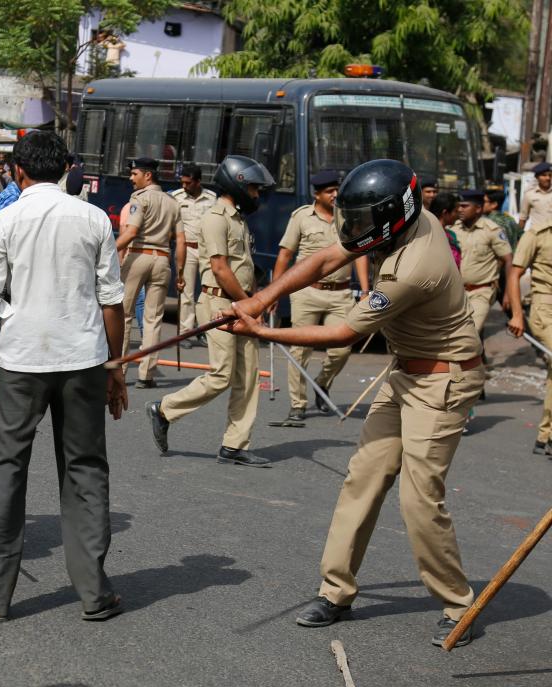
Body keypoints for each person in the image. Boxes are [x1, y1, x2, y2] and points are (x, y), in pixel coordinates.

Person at [225, 159, 484, 648]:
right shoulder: (399, 221)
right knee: (362, 479)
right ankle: (336, 591)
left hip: (444, 383)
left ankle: (458, 603)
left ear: (392, 215)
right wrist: (261, 300)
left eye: (364, 220)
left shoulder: (415, 267)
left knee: (419, 499)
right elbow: (325, 259)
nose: (355, 230)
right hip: (406, 372)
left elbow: (341, 331)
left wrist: (261, 330)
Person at [0, 129, 127, 622]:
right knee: (85, 470)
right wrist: (115, 367)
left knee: (7, 470)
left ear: (19, 172)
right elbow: (111, 301)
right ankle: (95, 594)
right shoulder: (94, 218)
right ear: (65, 169)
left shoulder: (3, 221)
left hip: (20, 363)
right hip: (83, 359)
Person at [146, 155, 275, 467]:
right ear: (238, 184)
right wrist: (248, 303)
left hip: (240, 303)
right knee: (221, 374)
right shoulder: (216, 217)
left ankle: (234, 445)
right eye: (254, 188)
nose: (257, 195)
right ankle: (164, 409)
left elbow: (243, 267)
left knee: (248, 377)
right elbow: (219, 268)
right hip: (220, 304)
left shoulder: (238, 219)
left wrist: (253, 299)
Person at [272, 170, 370, 423]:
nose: (335, 194)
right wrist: (273, 292)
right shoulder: (302, 217)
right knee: (300, 350)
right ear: (317, 194)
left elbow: (360, 253)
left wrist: (365, 291)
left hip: (341, 293)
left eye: (337, 189)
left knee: (342, 350)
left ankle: (322, 383)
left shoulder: (348, 216)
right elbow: (285, 255)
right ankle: (298, 403)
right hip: (307, 292)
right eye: (329, 191)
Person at [116, 157, 182, 388]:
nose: (131, 178)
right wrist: (181, 273)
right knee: (153, 319)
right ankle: (147, 374)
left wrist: (109, 249)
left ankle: (121, 369)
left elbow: (131, 232)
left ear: (148, 175)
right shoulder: (173, 203)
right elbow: (181, 242)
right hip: (162, 259)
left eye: (135, 174)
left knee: (124, 315)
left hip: (138, 256)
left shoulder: (139, 199)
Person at [507, 215, 552, 455]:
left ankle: (545, 433)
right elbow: (514, 274)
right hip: (545, 307)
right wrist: (517, 315)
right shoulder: (537, 234)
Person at [450, 189, 512, 336]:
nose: (460, 209)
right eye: (459, 206)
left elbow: (508, 260)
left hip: (481, 292)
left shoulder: (492, 230)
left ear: (478, 208)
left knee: (470, 334)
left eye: (465, 206)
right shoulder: (453, 228)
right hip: (456, 293)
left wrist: (508, 293)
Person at [170, 164, 216, 345]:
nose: (184, 186)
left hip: (206, 250)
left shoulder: (212, 199)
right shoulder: (176, 197)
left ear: (198, 182)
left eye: (188, 183)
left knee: (209, 293)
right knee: (186, 292)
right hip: (186, 249)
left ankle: (205, 330)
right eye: (182, 182)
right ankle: (185, 332)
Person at [429, 191, 461, 267]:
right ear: (445, 213)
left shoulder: (451, 235)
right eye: (455, 211)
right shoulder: (430, 235)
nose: (458, 215)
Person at [519, 161, 552, 231]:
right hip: (537, 235)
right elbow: (523, 218)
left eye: (550, 175)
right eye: (544, 175)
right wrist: (519, 237)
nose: (548, 178)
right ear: (537, 177)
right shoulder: (529, 195)